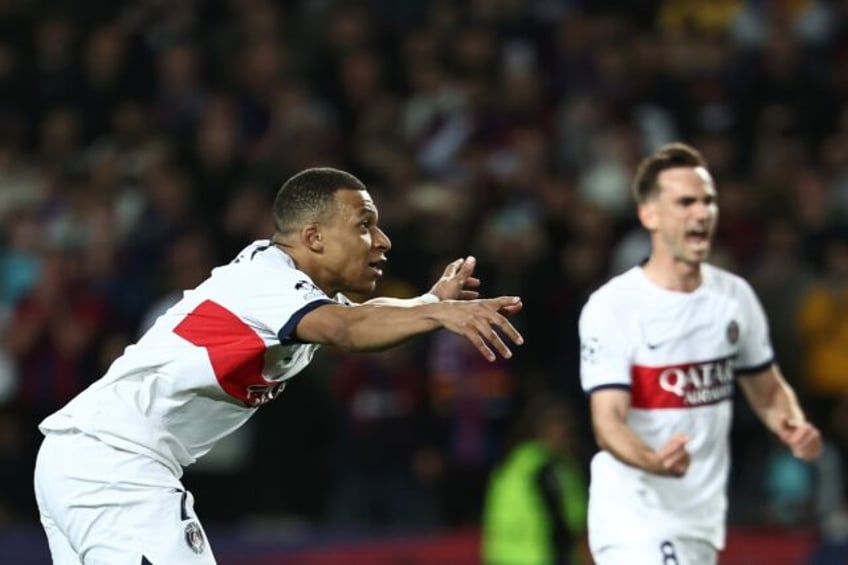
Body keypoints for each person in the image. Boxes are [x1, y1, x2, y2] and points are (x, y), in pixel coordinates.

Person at [33, 166, 524, 564]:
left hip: (82, 459)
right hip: (116, 464)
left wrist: (426, 302)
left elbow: (356, 317)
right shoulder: (266, 281)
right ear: (313, 236)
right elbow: (348, 331)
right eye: (364, 224)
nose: (383, 240)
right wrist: (438, 312)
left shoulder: (288, 295)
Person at [577, 142, 822, 565]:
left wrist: (792, 424)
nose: (702, 213)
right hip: (637, 516)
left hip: (700, 520)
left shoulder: (734, 297)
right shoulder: (614, 306)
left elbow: (765, 388)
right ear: (649, 215)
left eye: (708, 201)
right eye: (685, 202)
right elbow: (608, 421)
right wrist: (651, 460)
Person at [481, 394, 590, 565]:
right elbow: (572, 520)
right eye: (564, 428)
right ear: (543, 428)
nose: (569, 435)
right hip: (536, 557)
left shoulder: (515, 463)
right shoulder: (544, 468)